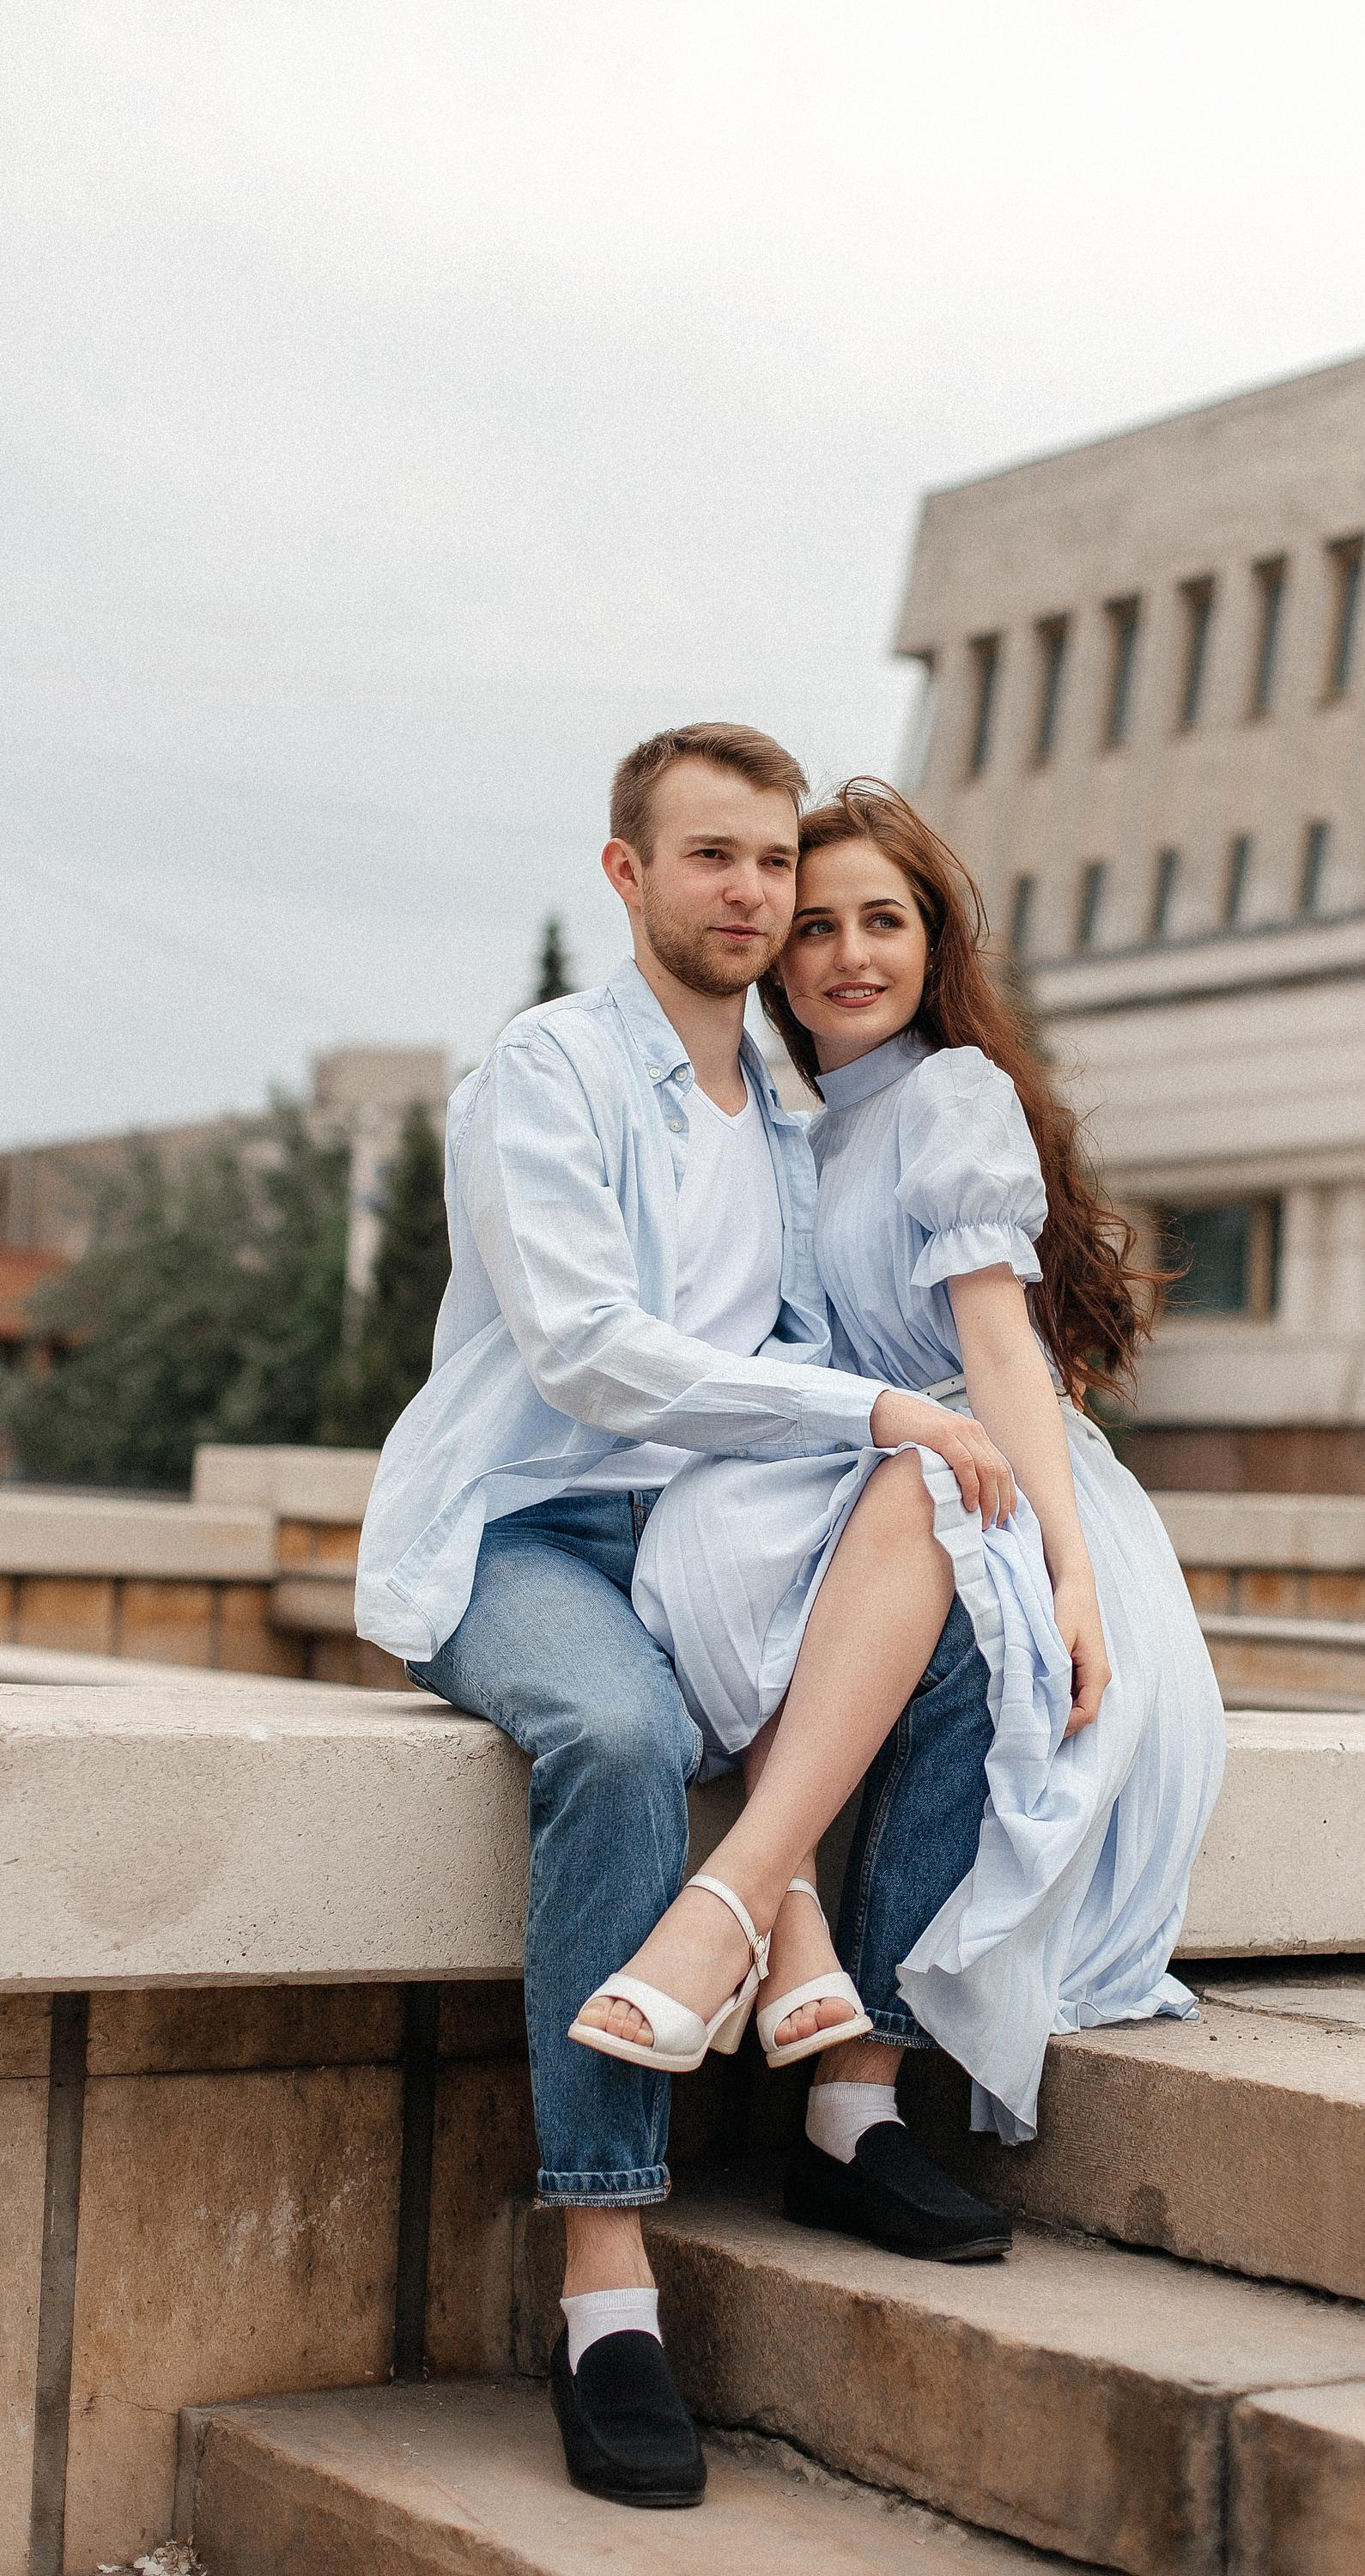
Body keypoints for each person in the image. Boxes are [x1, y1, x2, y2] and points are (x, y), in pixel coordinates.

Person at [355, 725, 1016, 2515]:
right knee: (628, 1733)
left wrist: (933, 1425)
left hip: (708, 1524)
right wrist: (868, 1415)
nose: (749, 893)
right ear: (625, 876)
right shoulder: (548, 1072)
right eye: (706, 857)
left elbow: (801, 1342)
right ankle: (603, 2283)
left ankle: (845, 2104)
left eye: (767, 862)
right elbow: (583, 1353)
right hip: (526, 1525)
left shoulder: (794, 1106)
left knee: (972, 1624)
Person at [604, 779, 1225, 2149]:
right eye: (813, 928)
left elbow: (1002, 1357)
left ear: (935, 944)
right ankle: (798, 1963)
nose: (847, 957)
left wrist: (1069, 1573)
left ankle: (848, 2073)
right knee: (713, 1547)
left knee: (978, 1664)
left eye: (882, 922)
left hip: (996, 1465)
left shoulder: (953, 1094)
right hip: (861, 1460)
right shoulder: (790, 1124)